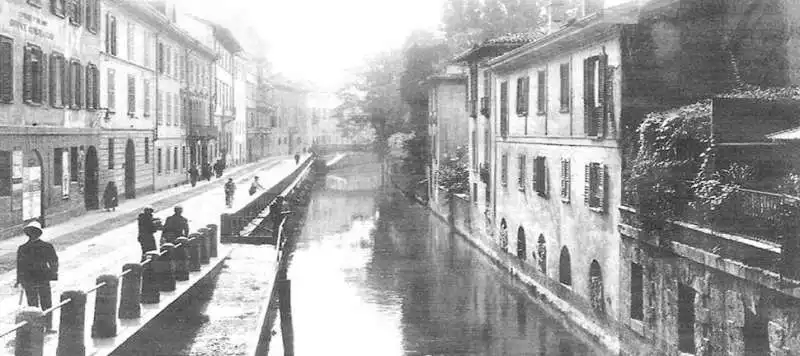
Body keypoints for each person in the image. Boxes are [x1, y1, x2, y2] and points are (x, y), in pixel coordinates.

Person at [16, 221, 58, 332]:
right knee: (35, 304)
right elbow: (20, 265)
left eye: (34, 232)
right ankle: (40, 327)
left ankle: (47, 326)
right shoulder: (24, 248)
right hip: (33, 279)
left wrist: (53, 273)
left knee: (44, 302)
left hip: (38, 278)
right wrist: (19, 279)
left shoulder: (45, 246)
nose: (32, 234)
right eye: (31, 232)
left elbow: (54, 261)